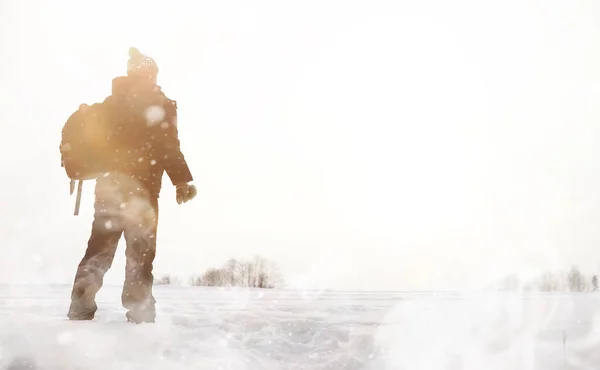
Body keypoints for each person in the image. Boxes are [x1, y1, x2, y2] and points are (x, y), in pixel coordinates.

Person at [67, 47, 197, 323]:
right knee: (141, 250)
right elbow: (168, 146)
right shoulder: (159, 103)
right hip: (142, 186)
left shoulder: (108, 105)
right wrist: (182, 179)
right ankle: (139, 310)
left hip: (109, 185)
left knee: (100, 245)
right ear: (150, 74)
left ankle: (81, 303)